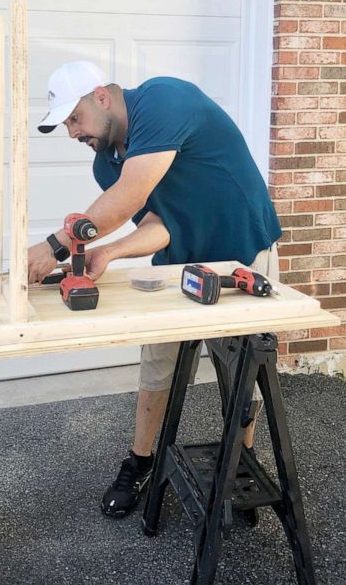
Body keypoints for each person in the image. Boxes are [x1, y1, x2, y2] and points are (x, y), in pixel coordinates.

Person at [27, 60, 282, 518]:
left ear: (101, 96)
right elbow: (156, 223)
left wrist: (56, 246)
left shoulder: (165, 100)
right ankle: (140, 461)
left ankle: (240, 464)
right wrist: (109, 253)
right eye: (66, 124)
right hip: (181, 259)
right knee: (158, 367)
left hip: (241, 251)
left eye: (75, 118)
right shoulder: (107, 163)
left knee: (241, 370)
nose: (72, 133)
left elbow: (130, 193)